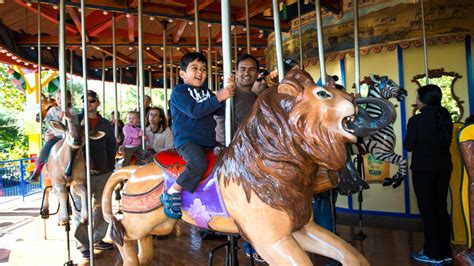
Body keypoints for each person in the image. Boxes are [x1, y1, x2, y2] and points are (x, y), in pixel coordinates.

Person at [161, 52, 235, 219]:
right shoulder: (180, 92)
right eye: (194, 68)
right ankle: (172, 192)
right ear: (182, 74)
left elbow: (220, 110)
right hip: (187, 141)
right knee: (198, 163)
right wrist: (219, 96)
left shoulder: (207, 92)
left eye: (203, 69)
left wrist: (228, 95)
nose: (199, 72)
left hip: (208, 141)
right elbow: (194, 111)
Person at [404, 84, 453, 264]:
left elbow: (408, 145)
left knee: (428, 210)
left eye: (417, 97)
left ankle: (433, 254)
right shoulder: (445, 117)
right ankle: (445, 251)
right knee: (440, 208)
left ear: (422, 101)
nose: (416, 100)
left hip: (424, 169)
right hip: (444, 168)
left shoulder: (416, 121)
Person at [72, 90, 116, 259]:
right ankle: (82, 243)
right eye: (84, 101)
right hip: (79, 172)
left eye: (91, 101)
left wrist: (110, 166)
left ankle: (97, 238)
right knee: (80, 209)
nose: (88, 103)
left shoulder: (104, 124)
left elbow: (111, 144)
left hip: (102, 169)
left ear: (97, 103)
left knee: (101, 206)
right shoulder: (76, 121)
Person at [29, 90, 74, 180]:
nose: (60, 100)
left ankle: (90, 165)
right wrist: (58, 117)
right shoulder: (53, 110)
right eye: (58, 98)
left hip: (69, 137)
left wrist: (69, 118)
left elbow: (75, 125)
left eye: (63, 98)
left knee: (82, 148)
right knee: (44, 150)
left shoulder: (72, 111)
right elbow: (49, 123)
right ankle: (37, 170)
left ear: (69, 100)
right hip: (56, 136)